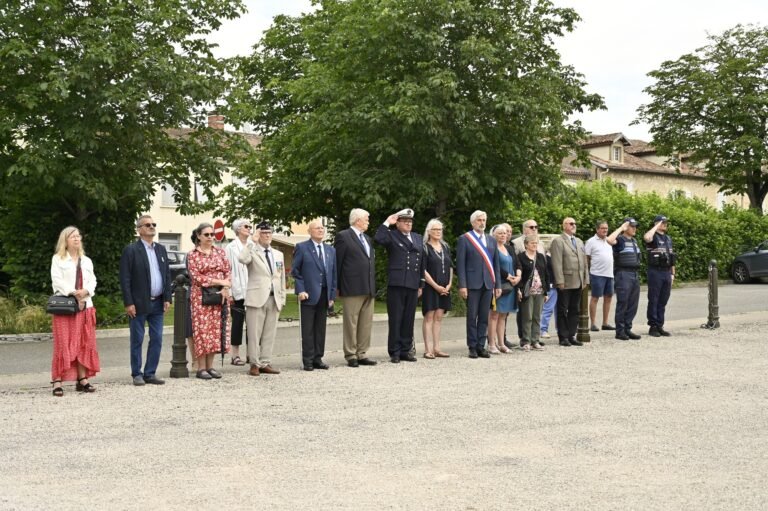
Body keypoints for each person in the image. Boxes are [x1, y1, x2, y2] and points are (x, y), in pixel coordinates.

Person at [119, 215, 172, 386]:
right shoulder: (131, 250)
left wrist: (167, 297)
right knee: (137, 339)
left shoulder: (161, 250)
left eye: (153, 224)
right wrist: (128, 302)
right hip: (139, 302)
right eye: (147, 225)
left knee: (157, 338)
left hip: (157, 302)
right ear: (139, 229)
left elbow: (166, 275)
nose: (151, 227)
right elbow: (125, 278)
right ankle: (137, 373)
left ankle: (150, 373)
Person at [50, 226, 99, 396]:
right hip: (66, 307)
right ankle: (57, 380)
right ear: (65, 240)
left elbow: (93, 281)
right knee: (63, 343)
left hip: (86, 306)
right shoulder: (58, 259)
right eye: (73, 237)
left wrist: (85, 291)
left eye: (78, 236)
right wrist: (73, 293)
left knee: (84, 343)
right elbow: (56, 281)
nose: (77, 239)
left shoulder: (87, 261)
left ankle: (82, 379)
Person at [374, 209, 425, 363]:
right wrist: (387, 222)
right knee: (396, 318)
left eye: (410, 222)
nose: (408, 224)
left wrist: (421, 283)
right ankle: (394, 351)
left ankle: (405, 350)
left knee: (408, 319)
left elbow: (422, 261)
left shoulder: (417, 237)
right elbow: (378, 238)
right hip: (397, 282)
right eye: (405, 221)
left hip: (412, 283)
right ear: (398, 223)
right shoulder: (391, 235)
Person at [239, 221, 286, 376]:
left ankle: (265, 362)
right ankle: (254, 363)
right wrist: (252, 241)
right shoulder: (252, 250)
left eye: (269, 233)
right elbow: (242, 259)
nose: (267, 236)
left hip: (274, 297)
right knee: (254, 333)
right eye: (264, 233)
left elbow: (281, 277)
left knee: (269, 333)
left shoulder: (278, 254)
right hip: (257, 297)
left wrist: (282, 297)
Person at [187, 223, 232, 380]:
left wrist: (226, 286)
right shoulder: (193, 255)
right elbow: (197, 277)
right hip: (200, 297)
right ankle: (201, 367)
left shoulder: (220, 252)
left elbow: (228, 272)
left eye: (212, 235)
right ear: (198, 236)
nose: (210, 237)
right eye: (206, 235)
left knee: (215, 331)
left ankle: (211, 366)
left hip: (220, 296)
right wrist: (218, 282)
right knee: (202, 331)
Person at [335, 208, 378, 367]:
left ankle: (362, 353)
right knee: (351, 322)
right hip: (351, 287)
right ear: (357, 220)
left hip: (368, 287)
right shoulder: (343, 236)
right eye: (366, 219)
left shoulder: (367, 238)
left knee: (366, 322)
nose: (368, 221)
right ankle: (351, 354)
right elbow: (338, 263)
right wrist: (337, 286)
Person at [456, 210, 502, 359]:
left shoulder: (491, 240)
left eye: (484, 220)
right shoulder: (465, 239)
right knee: (472, 316)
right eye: (479, 220)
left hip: (488, 284)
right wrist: (462, 285)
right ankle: (472, 346)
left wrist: (498, 285)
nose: (482, 223)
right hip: (472, 284)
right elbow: (461, 264)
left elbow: (496, 265)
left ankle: (481, 346)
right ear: (473, 222)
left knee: (484, 317)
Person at [292, 220, 336, 371]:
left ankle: (318, 358)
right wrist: (300, 290)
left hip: (324, 294)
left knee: (320, 328)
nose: (321, 230)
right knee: (308, 329)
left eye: (322, 228)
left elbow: (333, 274)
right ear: (309, 231)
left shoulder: (330, 250)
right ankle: (308, 360)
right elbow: (296, 272)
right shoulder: (302, 247)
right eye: (317, 228)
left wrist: (331, 296)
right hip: (309, 294)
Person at [550, 217, 588, 347]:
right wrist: (559, 280)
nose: (574, 225)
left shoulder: (579, 241)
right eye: (571, 223)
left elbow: (584, 262)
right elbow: (556, 263)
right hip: (565, 281)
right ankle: (563, 336)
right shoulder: (558, 241)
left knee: (575, 310)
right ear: (564, 225)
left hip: (578, 281)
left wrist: (585, 279)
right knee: (562, 310)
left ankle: (571, 335)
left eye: (575, 223)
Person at [421, 218, 452, 359]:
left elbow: (450, 266)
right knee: (430, 316)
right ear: (429, 231)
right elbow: (423, 270)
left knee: (439, 317)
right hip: (431, 287)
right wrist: (435, 286)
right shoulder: (425, 247)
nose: (438, 232)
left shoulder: (445, 246)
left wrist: (449, 284)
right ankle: (428, 349)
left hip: (445, 287)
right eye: (435, 229)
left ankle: (437, 347)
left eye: (440, 229)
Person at [512, 220, 546, 347]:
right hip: (527, 290)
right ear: (526, 244)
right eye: (532, 243)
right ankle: (526, 340)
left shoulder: (541, 257)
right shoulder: (521, 257)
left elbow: (545, 275)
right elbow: (519, 273)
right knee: (527, 317)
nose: (534, 245)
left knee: (537, 317)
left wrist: (546, 291)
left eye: (536, 243)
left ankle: (535, 340)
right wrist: (519, 289)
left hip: (540, 291)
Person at [584, 220, 622, 332]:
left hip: (609, 274)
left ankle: (605, 323)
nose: (605, 230)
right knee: (595, 298)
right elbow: (586, 259)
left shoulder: (610, 241)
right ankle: (593, 323)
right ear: (597, 229)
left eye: (606, 228)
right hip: (597, 274)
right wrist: (587, 273)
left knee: (608, 298)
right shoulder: (591, 242)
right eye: (602, 228)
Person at [488, 224, 520, 354]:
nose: (503, 235)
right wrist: (508, 276)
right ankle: (491, 344)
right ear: (493, 235)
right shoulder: (491, 248)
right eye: (500, 233)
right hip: (499, 285)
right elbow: (494, 266)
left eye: (505, 233)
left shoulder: (509, 248)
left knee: (503, 315)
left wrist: (518, 275)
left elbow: (517, 263)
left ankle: (501, 343)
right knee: (494, 315)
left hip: (511, 285)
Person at [225, 218, 253, 366]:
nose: (249, 228)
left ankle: (251, 353)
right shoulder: (231, 247)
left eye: (250, 226)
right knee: (237, 323)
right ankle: (235, 355)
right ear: (238, 229)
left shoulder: (253, 245)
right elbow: (227, 269)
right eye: (246, 226)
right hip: (237, 289)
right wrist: (228, 291)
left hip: (252, 289)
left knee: (253, 324)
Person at [644, 214, 676, 337]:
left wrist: (672, 274)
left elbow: (672, 258)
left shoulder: (668, 238)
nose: (665, 224)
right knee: (654, 299)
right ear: (657, 224)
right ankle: (653, 326)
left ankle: (660, 325)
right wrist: (656, 226)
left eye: (665, 222)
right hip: (655, 271)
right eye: (662, 223)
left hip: (666, 272)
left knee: (663, 300)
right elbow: (646, 237)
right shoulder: (653, 237)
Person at [613, 218, 642, 341]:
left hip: (634, 274)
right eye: (632, 226)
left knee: (632, 304)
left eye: (635, 226)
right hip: (623, 274)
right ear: (626, 227)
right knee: (623, 303)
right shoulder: (620, 240)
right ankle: (620, 331)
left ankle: (627, 328)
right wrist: (621, 228)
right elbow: (609, 240)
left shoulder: (634, 241)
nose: (634, 228)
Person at [540, 250, 557, 339]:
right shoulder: (547, 258)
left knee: (559, 309)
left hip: (558, 285)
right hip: (551, 285)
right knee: (548, 309)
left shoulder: (555, 257)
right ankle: (543, 329)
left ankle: (559, 329)